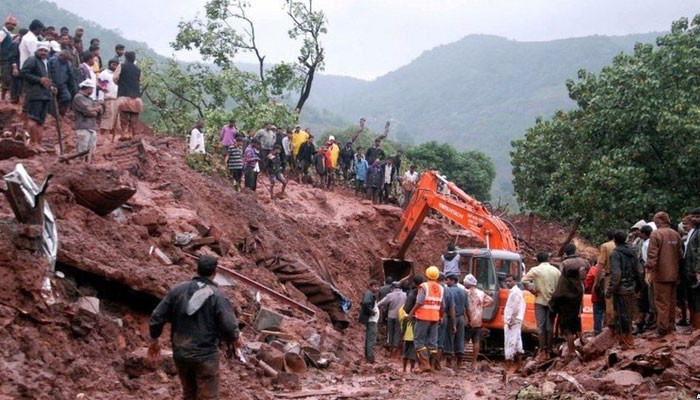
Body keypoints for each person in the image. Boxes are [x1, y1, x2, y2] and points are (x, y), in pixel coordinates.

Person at [148, 255, 240, 400]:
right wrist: (234, 339)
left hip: (181, 353)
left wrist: (155, 339)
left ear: (197, 269)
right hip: (205, 356)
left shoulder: (177, 291)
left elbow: (157, 316)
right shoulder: (218, 296)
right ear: (215, 272)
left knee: (189, 394)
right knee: (208, 397)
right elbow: (229, 327)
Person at [645, 211, 682, 337]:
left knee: (661, 302)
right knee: (671, 301)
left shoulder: (656, 234)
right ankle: (671, 325)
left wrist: (649, 269)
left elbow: (652, 255)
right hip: (674, 274)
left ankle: (662, 328)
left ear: (659, 221)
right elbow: (680, 254)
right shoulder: (676, 234)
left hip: (661, 274)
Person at [521, 252, 560, 360]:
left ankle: (543, 349)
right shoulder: (556, 271)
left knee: (540, 327)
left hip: (540, 300)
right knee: (549, 326)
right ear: (548, 259)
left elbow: (524, 280)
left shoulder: (535, 270)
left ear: (538, 260)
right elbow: (560, 285)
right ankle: (550, 348)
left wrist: (533, 290)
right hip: (553, 302)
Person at [408, 266, 444, 373]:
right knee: (433, 343)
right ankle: (432, 366)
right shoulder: (441, 288)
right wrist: (440, 316)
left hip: (423, 317)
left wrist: (411, 313)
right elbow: (442, 306)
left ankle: (424, 365)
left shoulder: (423, 287)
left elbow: (419, 302)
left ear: (426, 275)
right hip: (435, 318)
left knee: (419, 341)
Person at [606, 230, 639, 349]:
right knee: (629, 314)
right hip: (631, 287)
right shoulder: (633, 251)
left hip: (621, 289)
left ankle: (626, 342)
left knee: (621, 315)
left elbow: (616, 274)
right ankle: (628, 338)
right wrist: (639, 286)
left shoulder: (615, 253)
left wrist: (610, 290)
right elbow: (638, 270)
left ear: (615, 240)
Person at [20, 43, 55, 149]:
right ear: (37, 50)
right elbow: (24, 73)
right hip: (35, 94)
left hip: (45, 95)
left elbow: (47, 78)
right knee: (33, 119)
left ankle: (38, 144)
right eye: (41, 50)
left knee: (41, 121)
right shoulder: (32, 60)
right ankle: (33, 143)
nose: (43, 53)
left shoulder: (46, 63)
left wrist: (51, 86)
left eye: (45, 51)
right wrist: (39, 80)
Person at [549, 259, 585, 359]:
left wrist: (552, 306)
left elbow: (557, 295)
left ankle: (572, 352)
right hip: (575, 310)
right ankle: (582, 347)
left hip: (565, 311)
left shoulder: (563, 283)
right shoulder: (578, 284)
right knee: (577, 329)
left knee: (568, 332)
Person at [464, 274, 493, 369]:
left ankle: (460, 361)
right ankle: (473, 362)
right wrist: (482, 306)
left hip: (468, 319)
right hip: (478, 320)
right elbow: (491, 300)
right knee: (476, 341)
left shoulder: (466, 292)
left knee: (465, 341)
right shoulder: (481, 293)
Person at [71, 79, 102, 162]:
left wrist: (94, 110)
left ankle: (88, 166)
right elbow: (87, 111)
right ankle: (80, 165)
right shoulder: (78, 98)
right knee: (82, 149)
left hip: (92, 126)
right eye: (91, 89)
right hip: (83, 126)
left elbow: (98, 111)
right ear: (87, 88)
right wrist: (94, 111)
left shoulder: (90, 99)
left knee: (92, 149)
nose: (92, 91)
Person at [114, 51, 141, 140]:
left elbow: (115, 78)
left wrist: (120, 83)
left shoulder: (121, 66)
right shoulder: (138, 69)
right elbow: (140, 81)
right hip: (136, 96)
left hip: (124, 95)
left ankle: (124, 134)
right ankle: (134, 134)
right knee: (134, 117)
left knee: (124, 116)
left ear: (126, 58)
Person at [377, 281, 407, 358]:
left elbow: (380, 303)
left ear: (392, 287)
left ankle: (390, 351)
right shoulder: (405, 295)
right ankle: (395, 352)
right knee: (397, 333)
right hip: (400, 316)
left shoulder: (390, 295)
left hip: (391, 315)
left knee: (390, 332)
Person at [444, 274, 467, 368]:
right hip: (461, 318)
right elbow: (467, 307)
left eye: (448, 280)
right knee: (460, 338)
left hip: (451, 317)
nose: (446, 282)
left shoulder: (448, 291)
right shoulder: (463, 292)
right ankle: (459, 362)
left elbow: (448, 307)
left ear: (453, 280)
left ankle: (448, 361)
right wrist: (468, 319)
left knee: (449, 338)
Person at [504, 274, 525, 372]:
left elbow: (516, 307)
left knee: (509, 342)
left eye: (510, 281)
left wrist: (511, 320)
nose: (508, 283)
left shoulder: (515, 292)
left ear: (515, 281)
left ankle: (508, 367)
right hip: (517, 320)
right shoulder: (515, 292)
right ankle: (519, 366)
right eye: (507, 281)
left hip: (513, 321)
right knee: (517, 341)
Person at [48, 50, 78, 116]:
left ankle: (61, 114)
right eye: (64, 58)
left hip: (63, 85)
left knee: (67, 97)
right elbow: (48, 72)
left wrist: (74, 88)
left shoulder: (67, 63)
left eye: (67, 59)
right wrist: (50, 83)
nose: (65, 60)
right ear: (60, 56)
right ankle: (52, 115)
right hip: (53, 84)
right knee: (51, 101)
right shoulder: (53, 60)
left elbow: (71, 75)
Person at [684, 208, 700, 329]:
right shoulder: (695, 231)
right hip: (691, 271)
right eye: (693, 216)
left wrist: (698, 271)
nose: (695, 219)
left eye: (697, 216)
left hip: (696, 271)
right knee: (693, 298)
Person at [98, 58, 120, 141]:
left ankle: (111, 138)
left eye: (117, 65)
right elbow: (101, 87)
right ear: (109, 64)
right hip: (108, 99)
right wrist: (101, 100)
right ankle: (102, 136)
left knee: (115, 120)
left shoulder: (117, 75)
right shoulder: (104, 74)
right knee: (107, 118)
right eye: (113, 64)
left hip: (116, 99)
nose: (115, 66)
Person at [598, 230, 617, 328]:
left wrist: (597, 280)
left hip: (609, 275)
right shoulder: (620, 245)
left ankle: (611, 322)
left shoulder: (605, 246)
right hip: (621, 275)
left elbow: (601, 263)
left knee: (609, 298)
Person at [359, 279, 380, 363]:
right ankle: (370, 358)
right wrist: (371, 312)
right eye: (375, 286)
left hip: (372, 320)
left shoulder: (370, 294)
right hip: (371, 320)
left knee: (369, 339)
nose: (377, 288)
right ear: (370, 287)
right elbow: (365, 303)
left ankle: (368, 357)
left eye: (378, 286)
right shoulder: (369, 294)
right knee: (371, 339)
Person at [584, 263, 605, 335]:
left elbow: (588, 282)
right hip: (608, 295)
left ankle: (598, 331)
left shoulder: (593, 270)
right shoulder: (610, 268)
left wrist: (589, 291)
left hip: (597, 296)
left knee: (598, 313)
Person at [0, 15, 18, 101]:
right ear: (7, 24)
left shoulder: (7, 33)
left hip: (8, 59)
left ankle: (4, 98)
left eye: (14, 25)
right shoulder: (2, 33)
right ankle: (3, 99)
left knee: (7, 78)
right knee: (6, 78)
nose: (14, 27)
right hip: (4, 59)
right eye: (12, 25)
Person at [397, 295, 416, 373]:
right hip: (414, 337)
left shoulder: (403, 310)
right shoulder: (416, 312)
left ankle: (404, 369)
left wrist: (401, 336)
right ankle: (411, 369)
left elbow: (401, 320)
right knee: (413, 354)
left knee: (405, 353)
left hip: (405, 336)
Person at [7, 28, 25, 104]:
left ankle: (16, 99)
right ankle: (13, 100)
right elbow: (12, 57)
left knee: (19, 85)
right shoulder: (16, 44)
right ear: (21, 35)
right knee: (15, 84)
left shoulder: (23, 44)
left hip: (21, 67)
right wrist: (15, 68)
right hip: (16, 67)